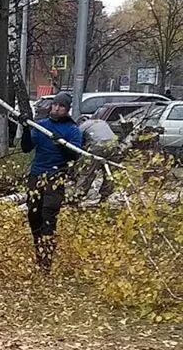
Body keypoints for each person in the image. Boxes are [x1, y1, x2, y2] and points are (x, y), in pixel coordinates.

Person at [21, 92, 82, 271]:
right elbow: (26, 148)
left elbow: (75, 155)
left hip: (55, 178)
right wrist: (25, 127)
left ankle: (46, 261)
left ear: (67, 109)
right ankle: (38, 251)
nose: (56, 108)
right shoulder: (41, 126)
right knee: (34, 215)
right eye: (54, 105)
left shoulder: (72, 130)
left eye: (61, 106)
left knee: (48, 216)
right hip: (36, 176)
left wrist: (61, 144)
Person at [76, 113, 118, 202]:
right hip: (114, 145)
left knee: (88, 173)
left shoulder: (82, 127)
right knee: (109, 173)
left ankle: (77, 197)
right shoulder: (101, 122)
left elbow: (79, 144)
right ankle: (105, 197)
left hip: (98, 146)